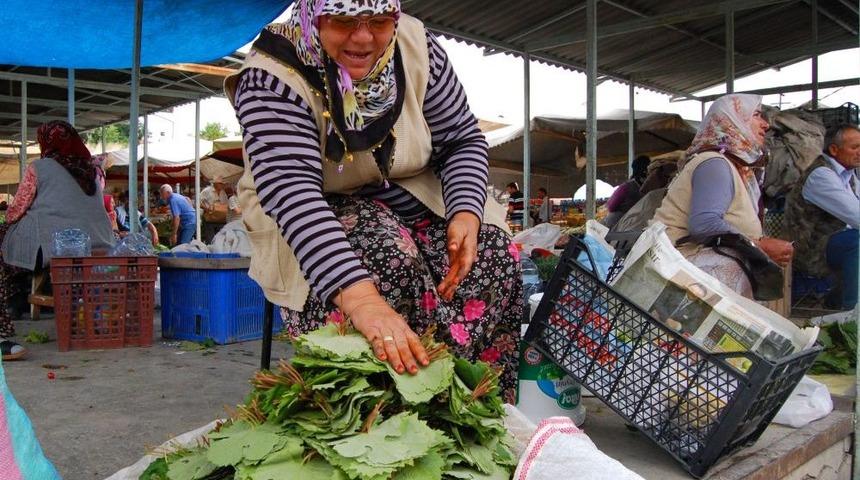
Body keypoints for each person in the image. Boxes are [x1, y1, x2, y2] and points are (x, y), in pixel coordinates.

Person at [225, 0, 521, 402]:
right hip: (316, 206)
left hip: (408, 190)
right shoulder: (273, 75)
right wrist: (362, 300)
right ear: (314, 14)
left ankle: (457, 403)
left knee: (491, 252)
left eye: (379, 22)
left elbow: (461, 140)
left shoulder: (416, 45)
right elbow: (294, 193)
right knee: (386, 261)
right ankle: (380, 414)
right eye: (343, 21)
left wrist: (466, 210)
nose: (363, 38)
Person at [653, 94, 793, 298]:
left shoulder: (735, 167)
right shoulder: (715, 164)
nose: (765, 125)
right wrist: (758, 245)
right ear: (732, 121)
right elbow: (704, 225)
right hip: (677, 269)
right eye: (756, 115)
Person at [0, 121, 115, 359]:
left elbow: (17, 208)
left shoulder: (40, 167)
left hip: (54, 247)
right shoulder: (93, 170)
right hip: (102, 244)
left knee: (4, 245)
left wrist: (8, 222)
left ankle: (12, 305)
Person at [786, 124, 859, 310]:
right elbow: (857, 216)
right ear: (834, 149)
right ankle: (853, 310)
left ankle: (841, 302)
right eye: (855, 147)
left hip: (836, 243)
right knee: (857, 242)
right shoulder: (821, 175)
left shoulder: (849, 175)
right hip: (812, 250)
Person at [603, 155, 650, 229]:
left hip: (618, 225)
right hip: (639, 225)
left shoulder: (626, 187)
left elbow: (611, 206)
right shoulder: (653, 186)